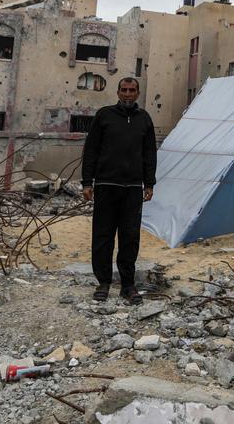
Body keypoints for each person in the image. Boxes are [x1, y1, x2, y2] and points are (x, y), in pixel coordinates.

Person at [82, 77, 157, 305]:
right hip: (106, 185)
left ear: (137, 93)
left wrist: (149, 183)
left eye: (131, 90)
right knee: (103, 236)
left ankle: (127, 285)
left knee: (130, 237)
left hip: (133, 189)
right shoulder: (104, 115)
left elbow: (149, 154)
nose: (127, 94)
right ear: (117, 92)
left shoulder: (144, 119)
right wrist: (87, 182)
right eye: (123, 90)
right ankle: (103, 283)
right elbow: (91, 149)